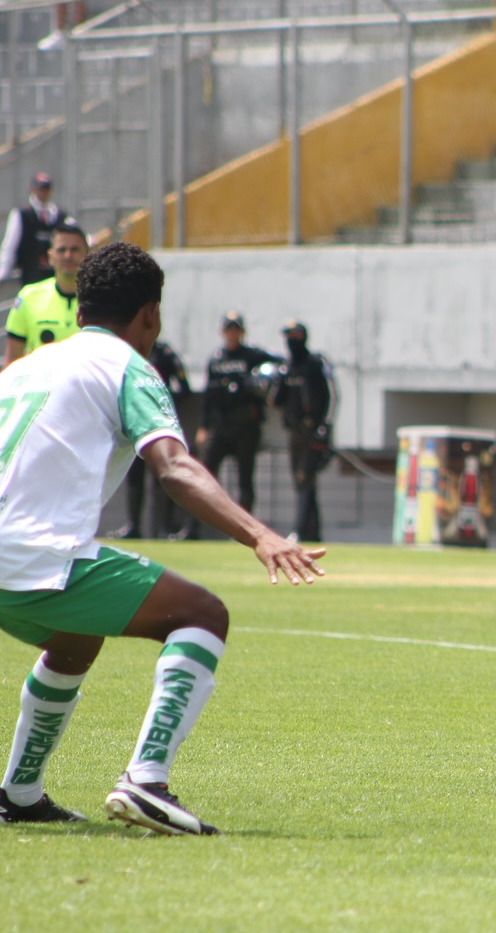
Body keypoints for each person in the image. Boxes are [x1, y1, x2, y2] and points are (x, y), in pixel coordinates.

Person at [0, 242, 324, 835]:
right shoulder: (128, 368)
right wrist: (260, 535)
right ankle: (146, 782)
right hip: (31, 558)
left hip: (13, 561)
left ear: (79, 312)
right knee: (202, 613)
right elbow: (173, 467)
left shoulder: (20, 369)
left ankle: (18, 794)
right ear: (150, 315)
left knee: (76, 638)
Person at [182, 312, 281, 540]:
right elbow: (208, 396)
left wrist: (263, 383)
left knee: (245, 480)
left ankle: (244, 532)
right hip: (220, 426)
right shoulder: (216, 359)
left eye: (236, 329)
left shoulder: (253, 356)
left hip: (246, 426)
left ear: (242, 332)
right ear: (222, 332)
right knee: (203, 477)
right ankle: (193, 528)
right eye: (229, 329)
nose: (232, 333)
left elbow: (279, 365)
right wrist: (203, 427)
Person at [118, 340, 191, 539]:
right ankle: (134, 526)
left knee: (163, 478)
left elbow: (184, 388)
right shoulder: (126, 352)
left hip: (158, 425)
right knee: (134, 478)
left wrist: (161, 405)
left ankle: (165, 528)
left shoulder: (164, 354)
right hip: (133, 424)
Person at [273, 321, 333, 543]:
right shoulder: (287, 367)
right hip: (294, 431)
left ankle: (299, 530)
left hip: (312, 432)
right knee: (302, 483)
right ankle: (313, 532)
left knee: (305, 477)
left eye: (294, 336)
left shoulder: (314, 364)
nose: (290, 341)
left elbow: (331, 397)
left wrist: (324, 427)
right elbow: (277, 400)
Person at [2, 223, 88, 368]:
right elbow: (11, 362)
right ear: (50, 256)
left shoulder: (102, 300)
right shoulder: (28, 297)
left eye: (75, 249)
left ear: (87, 254)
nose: (68, 256)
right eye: (61, 250)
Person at [0, 172, 75, 289]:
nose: (43, 192)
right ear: (32, 189)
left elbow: (77, 235)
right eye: (40, 188)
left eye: (46, 188)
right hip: (31, 277)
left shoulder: (59, 216)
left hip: (54, 279)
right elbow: (10, 245)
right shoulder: (22, 214)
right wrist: (3, 273)